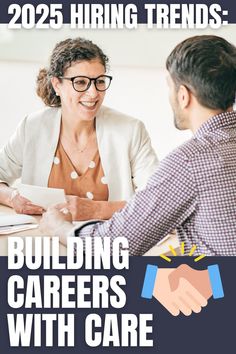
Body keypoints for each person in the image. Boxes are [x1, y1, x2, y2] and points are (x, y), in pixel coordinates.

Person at [40, 35, 236, 256]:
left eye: (169, 86)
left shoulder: (188, 163)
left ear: (183, 96)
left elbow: (113, 247)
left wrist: (59, 227)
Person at [0, 37, 158, 220]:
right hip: (45, 241)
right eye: (81, 82)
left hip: (108, 243)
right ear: (57, 84)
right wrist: (12, 198)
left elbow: (157, 199)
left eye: (99, 81)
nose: (93, 93)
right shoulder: (33, 127)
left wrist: (96, 210)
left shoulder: (131, 130)